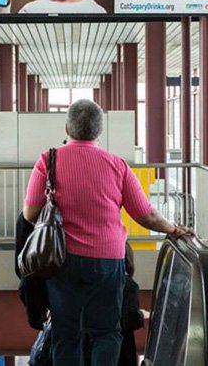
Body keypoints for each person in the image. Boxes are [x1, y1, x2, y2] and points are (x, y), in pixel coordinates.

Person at [23, 99, 194, 366]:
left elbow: (30, 213)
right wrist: (173, 229)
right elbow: (145, 214)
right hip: (108, 262)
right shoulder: (117, 165)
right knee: (107, 332)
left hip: (62, 262)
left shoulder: (49, 160)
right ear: (99, 132)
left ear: (67, 127)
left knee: (66, 335)